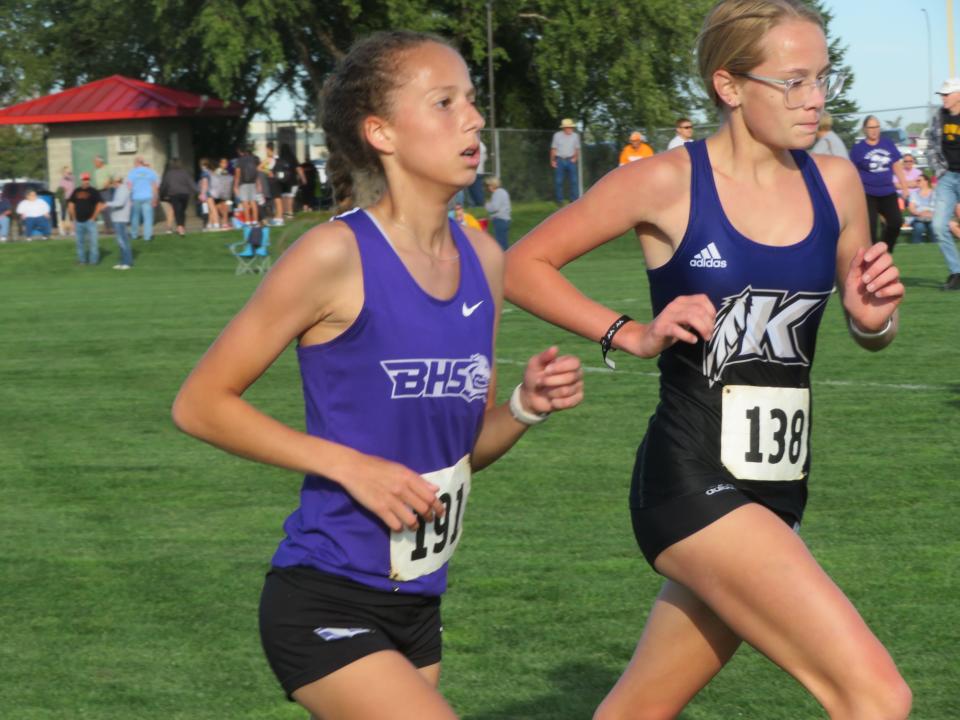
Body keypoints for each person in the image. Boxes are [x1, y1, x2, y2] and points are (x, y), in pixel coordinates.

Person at [503, 2, 911, 718]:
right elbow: (521, 264)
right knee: (876, 697)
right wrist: (628, 333)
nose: (816, 98)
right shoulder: (665, 182)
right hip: (692, 479)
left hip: (778, 488)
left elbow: (867, 322)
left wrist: (875, 320)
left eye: (823, 77)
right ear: (729, 86)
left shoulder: (837, 184)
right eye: (792, 81)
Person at [171, 30, 584, 720]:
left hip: (419, 600)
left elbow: (459, 455)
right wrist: (351, 467)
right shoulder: (334, 255)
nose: (474, 119)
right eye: (445, 102)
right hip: (323, 593)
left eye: (472, 102)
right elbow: (200, 404)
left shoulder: (484, 259)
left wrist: (523, 408)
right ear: (381, 133)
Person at [850, 115, 912, 253]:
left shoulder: (887, 143)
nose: (874, 130)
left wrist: (904, 187)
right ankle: (872, 258)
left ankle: (885, 249)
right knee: (871, 228)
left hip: (887, 192)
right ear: (865, 129)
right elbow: (852, 172)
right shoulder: (858, 149)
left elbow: (896, 166)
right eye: (871, 127)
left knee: (896, 222)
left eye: (877, 127)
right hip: (868, 194)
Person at [925, 77, 960, 290]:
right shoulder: (939, 116)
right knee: (938, 226)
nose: (943, 98)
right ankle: (957, 272)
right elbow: (930, 145)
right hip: (947, 177)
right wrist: (940, 170)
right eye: (943, 95)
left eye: (947, 94)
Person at [67, 172, 105, 264]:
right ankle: (82, 261)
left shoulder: (94, 191)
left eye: (87, 179)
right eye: (84, 179)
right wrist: (74, 219)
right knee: (80, 243)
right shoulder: (76, 191)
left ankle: (93, 262)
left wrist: (93, 217)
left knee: (93, 243)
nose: (86, 181)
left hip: (90, 221)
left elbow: (100, 204)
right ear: (81, 180)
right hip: (78, 221)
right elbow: (71, 204)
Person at [159, 159, 198, 237]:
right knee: (182, 211)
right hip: (185, 194)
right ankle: (181, 227)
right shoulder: (185, 173)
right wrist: (198, 192)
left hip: (174, 194)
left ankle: (180, 227)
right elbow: (191, 183)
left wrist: (161, 195)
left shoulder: (169, 174)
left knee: (177, 211)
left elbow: (164, 185)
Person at [127, 156, 159, 241]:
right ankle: (147, 237)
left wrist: (129, 199)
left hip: (136, 197)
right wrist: (155, 198)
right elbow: (155, 186)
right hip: (148, 197)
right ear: (143, 162)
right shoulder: (150, 172)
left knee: (135, 217)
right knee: (148, 218)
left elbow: (129, 187)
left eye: (134, 163)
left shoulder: (132, 172)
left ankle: (134, 235)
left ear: (137, 163)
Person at [550, 118, 581, 204]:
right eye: (568, 127)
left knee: (574, 181)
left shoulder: (575, 136)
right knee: (558, 181)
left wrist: (575, 158)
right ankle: (559, 200)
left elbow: (577, 148)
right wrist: (552, 160)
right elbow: (553, 149)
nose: (570, 129)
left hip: (571, 161)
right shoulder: (557, 135)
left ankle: (574, 200)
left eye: (571, 127)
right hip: (560, 160)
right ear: (564, 128)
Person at [107, 174, 133, 269]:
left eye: (113, 182)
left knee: (123, 241)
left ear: (117, 181)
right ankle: (122, 262)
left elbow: (120, 203)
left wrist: (107, 204)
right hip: (117, 218)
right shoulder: (119, 189)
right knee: (120, 241)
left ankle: (127, 262)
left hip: (121, 219)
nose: (113, 184)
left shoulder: (123, 189)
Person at [234, 146, 262, 225]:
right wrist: (258, 184)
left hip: (243, 184)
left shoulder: (240, 160)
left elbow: (237, 174)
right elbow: (257, 172)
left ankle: (247, 221)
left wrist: (235, 186)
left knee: (245, 203)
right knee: (253, 202)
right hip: (253, 183)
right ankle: (255, 221)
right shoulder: (254, 159)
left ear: (240, 152)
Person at [908, 172, 935, 244]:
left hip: (932, 217)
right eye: (916, 181)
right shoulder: (914, 194)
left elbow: (939, 208)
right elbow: (911, 208)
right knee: (919, 227)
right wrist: (919, 213)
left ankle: (936, 245)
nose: (917, 182)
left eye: (919, 180)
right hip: (918, 218)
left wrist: (931, 214)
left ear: (926, 181)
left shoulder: (935, 193)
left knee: (933, 226)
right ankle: (916, 245)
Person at [93, 155, 115, 234]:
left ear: (100, 162)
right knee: (102, 210)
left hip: (106, 191)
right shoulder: (96, 171)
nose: (94, 163)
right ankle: (107, 228)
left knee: (108, 210)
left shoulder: (108, 168)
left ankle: (111, 228)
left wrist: (109, 182)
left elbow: (114, 178)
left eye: (95, 162)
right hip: (99, 192)